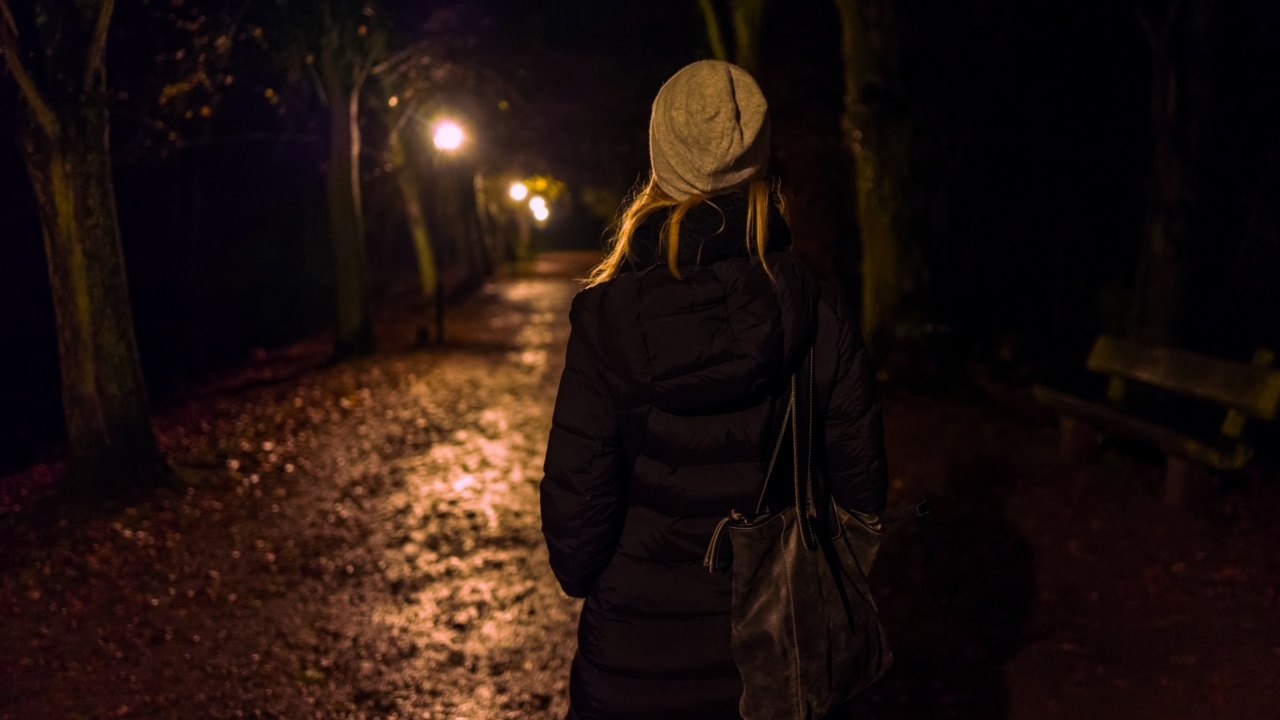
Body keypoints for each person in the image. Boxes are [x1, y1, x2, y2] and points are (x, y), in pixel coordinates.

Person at [540, 59, 888, 720]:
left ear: (660, 158)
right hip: (777, 666)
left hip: (634, 666)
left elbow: (575, 537)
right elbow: (861, 502)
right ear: (758, 162)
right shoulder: (816, 309)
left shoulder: (608, 321)